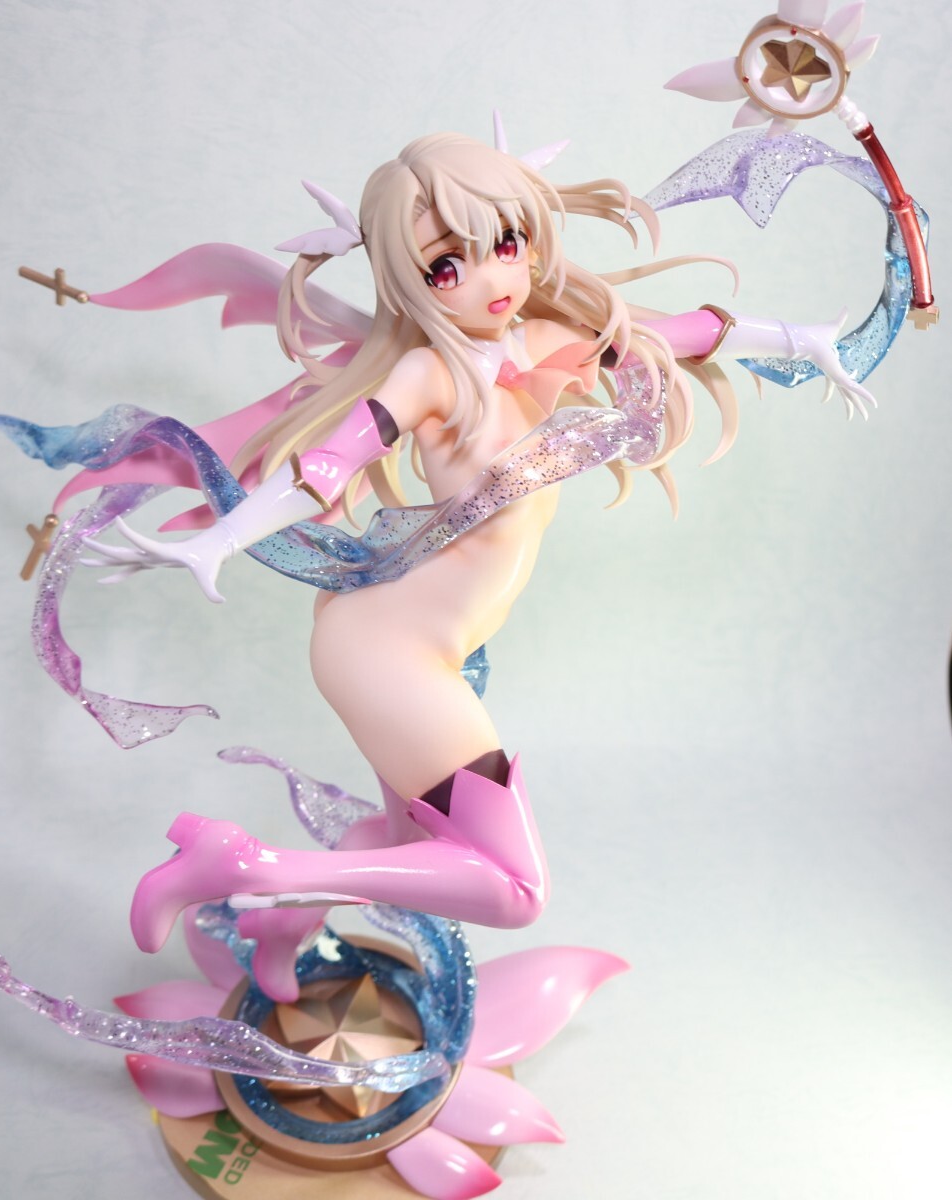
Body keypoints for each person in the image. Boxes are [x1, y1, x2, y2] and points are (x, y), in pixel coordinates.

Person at [77, 130, 872, 1000]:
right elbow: (325, 467)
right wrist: (221, 538)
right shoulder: (430, 374)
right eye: (447, 266)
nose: (493, 278)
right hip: (388, 652)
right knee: (515, 888)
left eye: (507, 243)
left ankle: (279, 925)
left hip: (423, 639)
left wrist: (807, 341)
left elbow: (686, 333)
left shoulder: (545, 339)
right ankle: (241, 867)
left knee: (402, 843)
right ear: (408, 281)